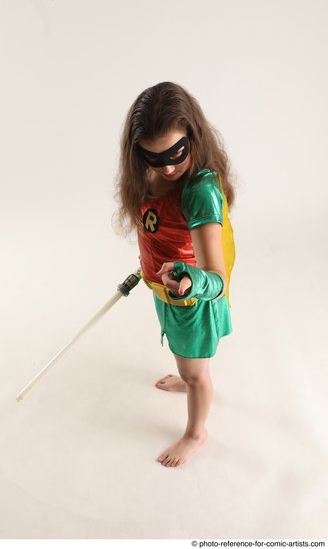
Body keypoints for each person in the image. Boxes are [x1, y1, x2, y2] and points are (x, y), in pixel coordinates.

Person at [114, 81, 237, 468]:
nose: (167, 167)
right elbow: (157, 229)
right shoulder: (149, 176)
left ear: (193, 137)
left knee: (197, 371)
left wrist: (190, 280)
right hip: (165, 292)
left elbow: (215, 278)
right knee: (187, 362)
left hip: (191, 300)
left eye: (176, 153)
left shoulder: (199, 191)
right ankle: (188, 376)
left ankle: (196, 431)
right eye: (154, 158)